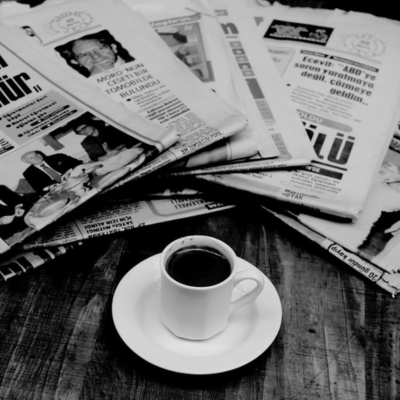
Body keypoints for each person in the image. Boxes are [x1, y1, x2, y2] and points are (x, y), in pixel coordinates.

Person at [74, 120, 140, 162]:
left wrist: (118, 149)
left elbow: (130, 139)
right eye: (79, 132)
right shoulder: (85, 143)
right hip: (113, 161)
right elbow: (93, 157)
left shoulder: (111, 129)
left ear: (91, 124)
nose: (83, 132)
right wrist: (103, 158)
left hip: (131, 152)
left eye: (83, 128)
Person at [68, 36, 134, 77]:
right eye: (84, 55)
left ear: (114, 48)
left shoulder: (137, 57)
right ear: (75, 61)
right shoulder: (80, 83)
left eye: (100, 49)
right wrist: (95, 77)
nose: (95, 56)